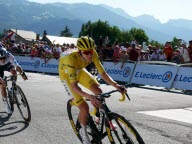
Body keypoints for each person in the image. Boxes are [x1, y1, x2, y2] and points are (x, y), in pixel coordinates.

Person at [59, 36, 127, 144]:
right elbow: (74, 87)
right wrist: (89, 96)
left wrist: (116, 85)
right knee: (84, 107)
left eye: (91, 51)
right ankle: (83, 132)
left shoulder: (93, 53)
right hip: (67, 75)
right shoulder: (70, 60)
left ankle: (97, 115)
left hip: (80, 70)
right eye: (86, 52)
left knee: (98, 92)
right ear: (80, 51)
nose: (90, 55)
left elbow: (103, 73)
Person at [0, 46, 28, 114]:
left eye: (4, 58)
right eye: (1, 58)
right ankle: (6, 105)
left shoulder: (9, 55)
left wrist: (23, 74)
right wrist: (1, 81)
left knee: (14, 71)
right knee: (2, 86)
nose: (3, 60)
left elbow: (17, 66)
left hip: (7, 64)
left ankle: (13, 88)